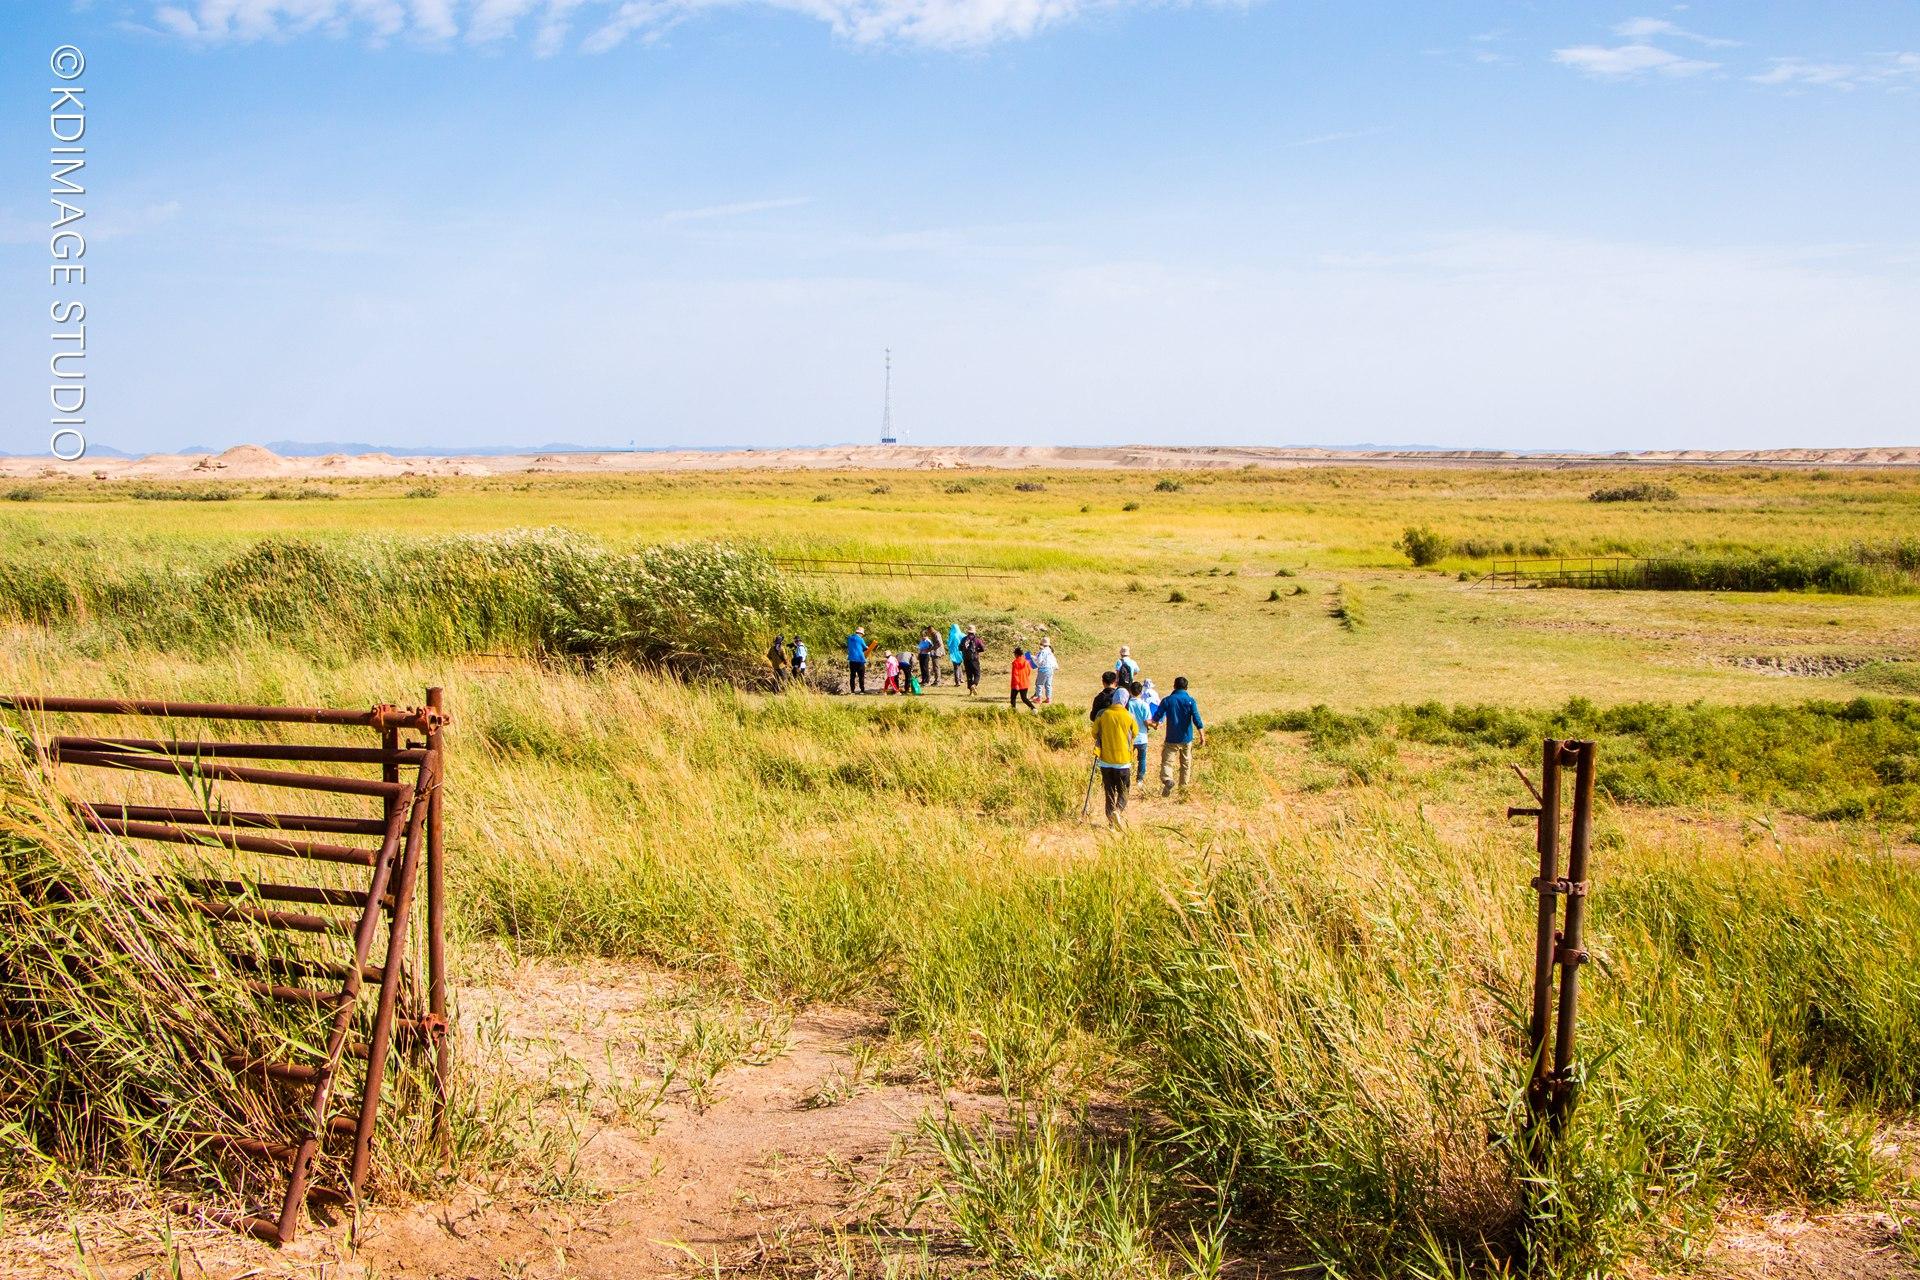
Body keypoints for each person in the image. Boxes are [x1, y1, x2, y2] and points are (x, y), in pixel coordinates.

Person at [1150, 675, 1207, 796]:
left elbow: (1157, 717)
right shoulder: (1190, 701)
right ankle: (1183, 790)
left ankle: (1168, 779)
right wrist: (1202, 735)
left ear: (1174, 686)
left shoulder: (1167, 700)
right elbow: (1196, 718)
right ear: (1186, 687)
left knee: (1167, 762)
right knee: (1186, 764)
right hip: (1186, 738)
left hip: (1171, 738)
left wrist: (1152, 723)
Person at [1093, 687, 1137, 827]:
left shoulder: (1103, 715)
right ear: (1125, 700)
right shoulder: (1129, 716)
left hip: (1105, 761)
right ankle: (1118, 809)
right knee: (1124, 790)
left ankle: (1111, 822)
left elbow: (1094, 733)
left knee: (1109, 791)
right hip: (1123, 761)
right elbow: (1135, 732)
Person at [1126, 680, 1153, 784]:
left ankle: (1127, 777)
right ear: (1141, 692)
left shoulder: (1127, 705)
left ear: (1130, 691)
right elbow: (1147, 721)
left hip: (1129, 737)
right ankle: (1140, 779)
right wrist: (1153, 725)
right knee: (1142, 759)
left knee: (1128, 759)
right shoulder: (1144, 705)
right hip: (1142, 736)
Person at [960, 625, 985, 695]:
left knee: (969, 675)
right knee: (977, 674)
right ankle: (974, 685)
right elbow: (983, 648)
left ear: (968, 632)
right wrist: (977, 650)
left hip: (966, 659)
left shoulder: (964, 639)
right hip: (974, 659)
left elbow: (959, 648)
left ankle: (971, 692)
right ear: (974, 632)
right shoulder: (977, 640)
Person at [1031, 640, 1058, 705]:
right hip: (1051, 669)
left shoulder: (1042, 652)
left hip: (1043, 669)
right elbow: (1053, 661)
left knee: (1039, 684)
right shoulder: (1050, 652)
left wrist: (1031, 658)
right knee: (1048, 684)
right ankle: (1048, 698)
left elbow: (1039, 661)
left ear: (1042, 644)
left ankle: (1039, 698)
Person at [1009, 647, 1036, 712]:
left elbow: (1015, 674)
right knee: (1024, 698)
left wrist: (1016, 684)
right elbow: (1029, 671)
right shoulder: (1026, 661)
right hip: (1025, 683)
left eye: (1015, 654)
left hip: (1016, 684)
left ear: (1017, 654)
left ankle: (1013, 711)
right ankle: (1034, 709)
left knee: (1013, 698)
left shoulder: (1015, 662)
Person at [846, 626, 869, 693]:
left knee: (852, 676)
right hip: (860, 660)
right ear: (861, 633)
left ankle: (852, 691)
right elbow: (865, 648)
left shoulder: (849, 638)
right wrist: (866, 647)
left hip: (852, 660)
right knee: (861, 676)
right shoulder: (860, 639)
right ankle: (862, 690)